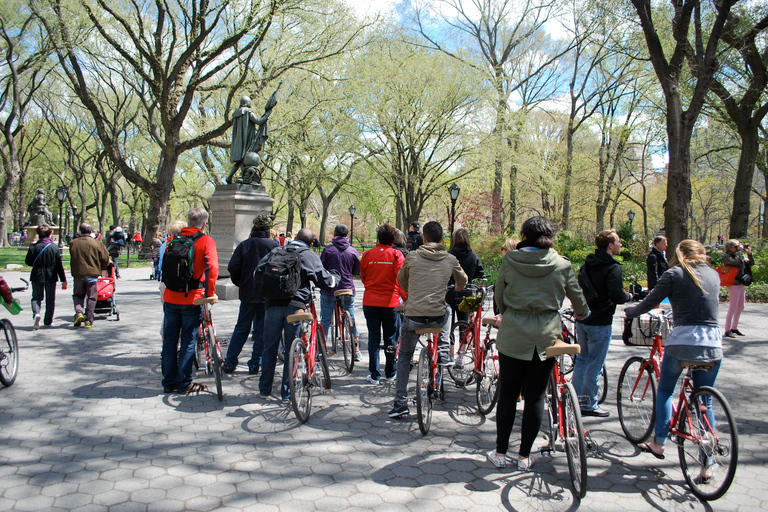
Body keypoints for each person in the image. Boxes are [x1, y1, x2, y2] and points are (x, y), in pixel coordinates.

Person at [487, 216, 589, 471]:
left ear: (524, 235)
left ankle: (500, 453)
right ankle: (524, 457)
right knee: (535, 397)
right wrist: (583, 313)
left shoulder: (510, 260)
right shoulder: (561, 264)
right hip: (546, 335)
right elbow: (578, 300)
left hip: (513, 334)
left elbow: (499, 296)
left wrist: (512, 309)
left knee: (508, 394)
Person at [625, 240, 722, 466]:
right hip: (713, 343)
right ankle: (708, 463)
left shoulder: (674, 274)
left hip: (683, 341)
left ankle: (659, 442)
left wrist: (631, 312)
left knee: (666, 390)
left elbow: (650, 301)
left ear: (679, 254)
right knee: (705, 399)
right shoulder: (714, 274)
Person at [389, 221, 467, 418]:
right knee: (448, 309)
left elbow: (402, 281)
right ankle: (442, 350)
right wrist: (457, 286)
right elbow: (463, 281)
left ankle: (400, 403)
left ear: (423, 238)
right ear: (442, 240)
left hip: (414, 315)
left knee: (405, 356)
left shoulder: (412, 257)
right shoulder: (450, 259)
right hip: (437, 317)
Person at [255, 228, 338, 400]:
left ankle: (264, 389)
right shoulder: (307, 255)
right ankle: (287, 392)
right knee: (292, 350)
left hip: (272, 305)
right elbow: (325, 281)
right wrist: (335, 277)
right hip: (295, 307)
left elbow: (257, 272)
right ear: (311, 242)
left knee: (269, 347)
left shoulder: (277, 250)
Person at [572, 229, 632, 417]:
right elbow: (616, 295)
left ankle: (575, 400)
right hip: (601, 320)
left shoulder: (588, 264)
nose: (620, 245)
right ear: (610, 245)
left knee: (581, 360)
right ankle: (589, 403)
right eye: (618, 242)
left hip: (583, 317)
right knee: (594, 364)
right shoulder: (613, 268)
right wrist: (628, 296)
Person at [161, 208, 218, 394]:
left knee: (169, 341)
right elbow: (213, 267)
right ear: (203, 223)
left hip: (170, 296)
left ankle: (169, 382)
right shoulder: (206, 240)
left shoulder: (172, 240)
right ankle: (184, 383)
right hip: (192, 298)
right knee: (187, 341)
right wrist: (209, 292)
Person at [222, 215, 280, 375]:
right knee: (261, 330)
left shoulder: (245, 245)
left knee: (241, 327)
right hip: (267, 293)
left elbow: (233, 266)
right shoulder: (274, 246)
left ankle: (230, 361)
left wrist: (241, 282)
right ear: (268, 229)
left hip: (248, 291)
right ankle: (255, 363)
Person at [360, 224, 406, 384]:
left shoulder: (367, 255)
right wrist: (406, 298)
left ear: (378, 238)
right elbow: (401, 280)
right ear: (393, 239)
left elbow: (364, 278)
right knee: (390, 338)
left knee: (373, 337)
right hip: (390, 303)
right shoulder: (396, 255)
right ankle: (390, 372)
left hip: (370, 301)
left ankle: (374, 374)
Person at [320, 224, 362, 361]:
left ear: (334, 235)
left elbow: (322, 270)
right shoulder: (353, 251)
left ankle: (321, 349)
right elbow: (356, 271)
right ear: (347, 236)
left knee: (325, 319)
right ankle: (356, 350)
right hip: (348, 288)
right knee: (352, 318)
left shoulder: (328, 250)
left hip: (330, 289)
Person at [448, 228, 484, 366]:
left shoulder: (449, 255)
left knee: (449, 325)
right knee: (464, 325)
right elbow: (480, 272)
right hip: (466, 292)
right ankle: (461, 357)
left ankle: (450, 353)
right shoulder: (473, 256)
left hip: (450, 292)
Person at [25, 225, 67, 329]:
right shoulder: (54, 248)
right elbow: (59, 266)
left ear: (38, 234)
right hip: (51, 275)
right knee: (50, 299)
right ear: (50, 233)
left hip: (37, 275)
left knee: (36, 297)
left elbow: (28, 262)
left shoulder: (33, 247)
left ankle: (36, 314)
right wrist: (63, 279)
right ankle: (48, 321)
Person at [69, 223, 110, 329]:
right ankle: (89, 319)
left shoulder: (73, 243)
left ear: (80, 231)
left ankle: (79, 312)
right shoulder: (97, 243)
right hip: (92, 274)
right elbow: (105, 259)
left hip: (78, 273)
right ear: (91, 232)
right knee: (91, 297)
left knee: (78, 295)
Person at [721, 239, 753, 338]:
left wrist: (749, 254)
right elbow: (734, 263)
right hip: (733, 283)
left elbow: (750, 263)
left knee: (741, 307)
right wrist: (740, 252)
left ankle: (734, 327)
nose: (737, 248)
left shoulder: (740, 255)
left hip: (741, 282)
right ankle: (727, 330)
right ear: (730, 247)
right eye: (735, 246)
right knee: (733, 307)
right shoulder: (726, 256)